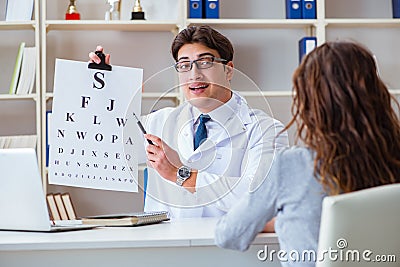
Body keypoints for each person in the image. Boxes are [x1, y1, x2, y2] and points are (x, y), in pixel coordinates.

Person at [214, 41, 400, 265]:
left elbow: (229, 235)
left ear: (312, 103)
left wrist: (277, 219)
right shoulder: (393, 157)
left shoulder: (291, 165)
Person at [89, 25, 289, 218]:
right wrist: (104, 89)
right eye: (184, 65)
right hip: (165, 246)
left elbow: (261, 198)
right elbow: (101, 147)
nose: (194, 75)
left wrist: (179, 174)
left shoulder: (266, 130)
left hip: (227, 249)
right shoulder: (159, 122)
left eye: (205, 62)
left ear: (228, 70)